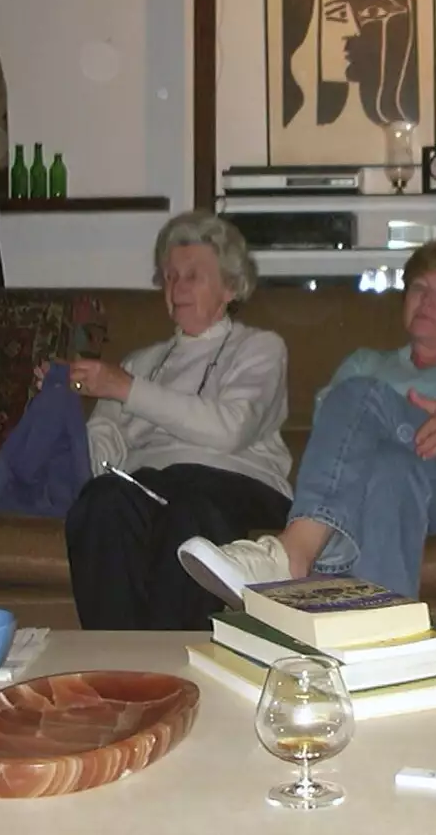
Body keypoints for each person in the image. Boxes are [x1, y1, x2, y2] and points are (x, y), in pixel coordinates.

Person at [177, 239, 436, 603]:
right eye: (419, 288)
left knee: (363, 396)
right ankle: (382, 626)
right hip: (404, 479)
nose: (426, 301)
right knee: (390, 467)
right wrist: (400, 428)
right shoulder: (366, 362)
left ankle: (293, 552)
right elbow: (336, 427)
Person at [63, 211, 293, 630]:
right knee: (101, 501)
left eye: (192, 276)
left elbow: (230, 429)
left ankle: (176, 668)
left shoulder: (259, 348)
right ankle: (121, 668)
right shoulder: (141, 362)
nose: (177, 287)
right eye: (169, 276)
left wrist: (126, 389)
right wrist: (64, 413)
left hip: (237, 484)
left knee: (188, 511)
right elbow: (103, 441)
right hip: (150, 485)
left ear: (230, 286)